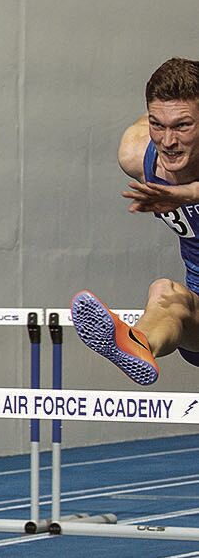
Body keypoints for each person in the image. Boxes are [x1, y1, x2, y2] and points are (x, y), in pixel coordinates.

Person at [71, 57, 199, 385]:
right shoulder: (136, 152)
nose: (169, 142)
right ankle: (137, 343)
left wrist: (187, 194)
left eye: (183, 126)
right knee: (164, 293)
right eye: (159, 124)